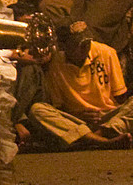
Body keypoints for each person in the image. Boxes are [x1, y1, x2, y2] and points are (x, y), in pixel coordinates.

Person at [28, 22, 133, 150]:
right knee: (37, 110)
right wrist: (78, 114)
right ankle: (102, 141)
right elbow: (58, 106)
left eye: (87, 42)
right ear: (64, 46)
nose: (86, 46)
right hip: (76, 121)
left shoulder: (106, 52)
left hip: (108, 118)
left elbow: (120, 97)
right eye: (79, 44)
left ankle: (95, 137)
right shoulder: (55, 63)